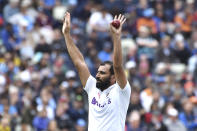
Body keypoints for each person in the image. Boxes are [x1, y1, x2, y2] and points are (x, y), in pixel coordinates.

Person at [62, 12, 131, 131]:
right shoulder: (92, 87)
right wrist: (67, 34)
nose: (97, 75)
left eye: (103, 73)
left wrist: (116, 37)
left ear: (113, 78)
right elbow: (80, 63)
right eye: (98, 72)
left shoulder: (121, 92)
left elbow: (118, 66)